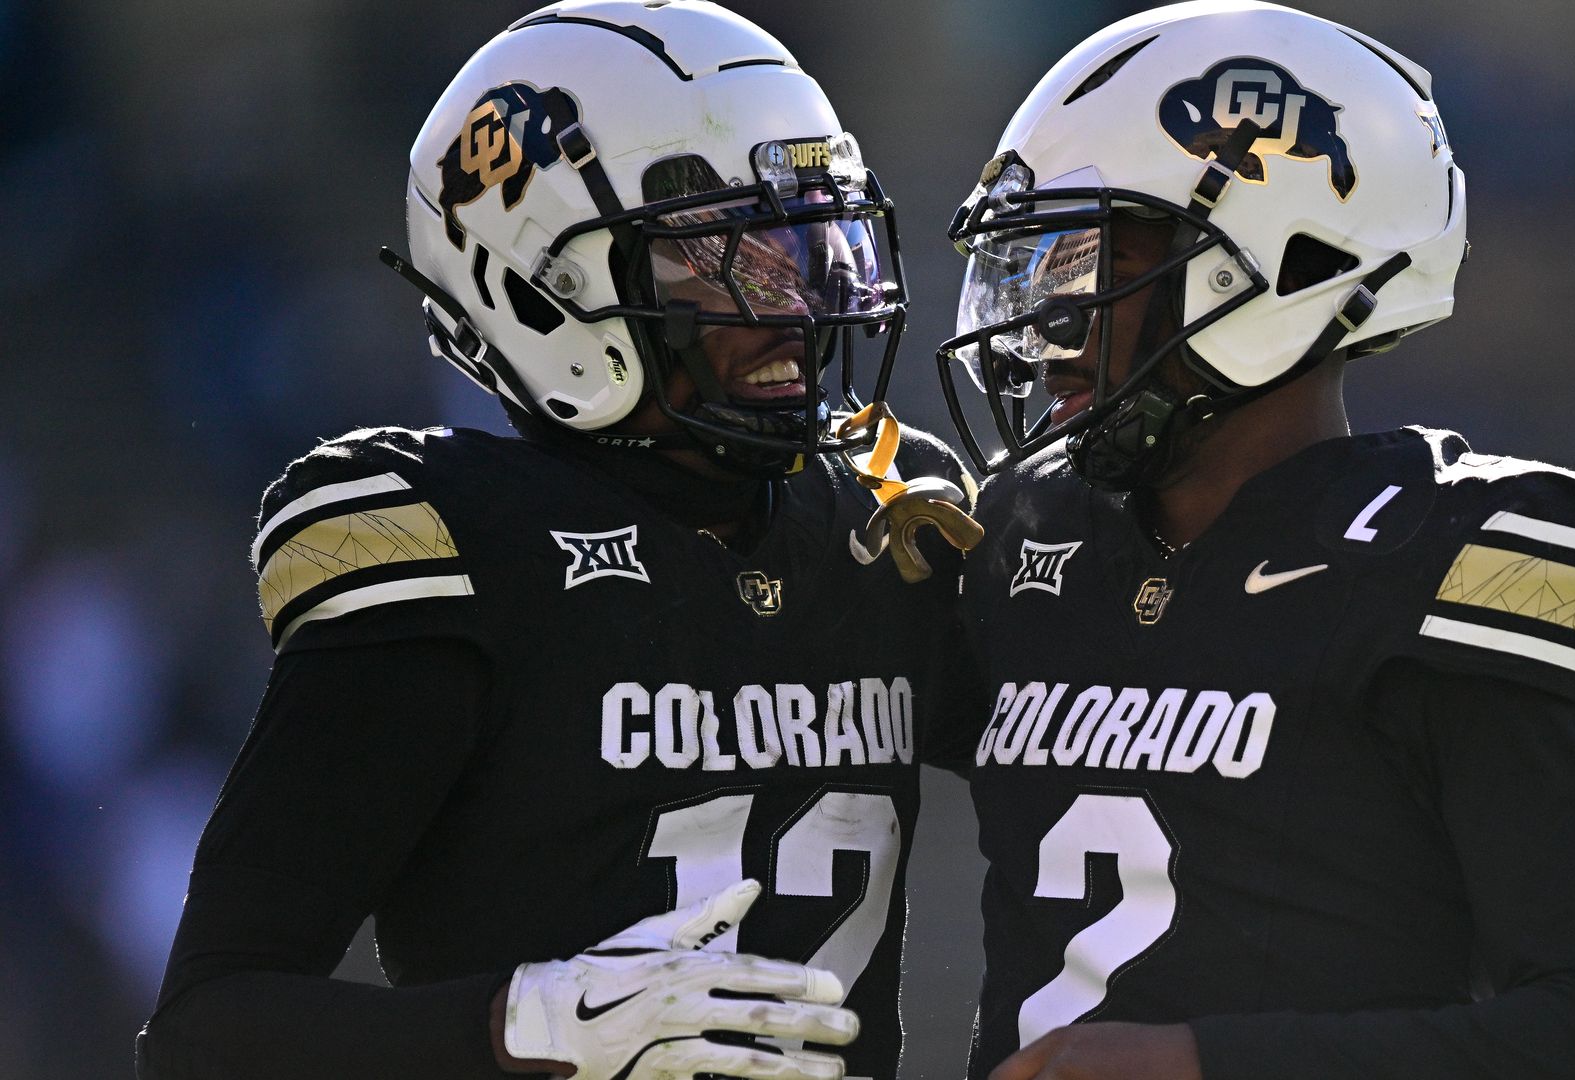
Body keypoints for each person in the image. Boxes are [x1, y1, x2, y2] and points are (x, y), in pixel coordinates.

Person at [934, 3, 1575, 1078]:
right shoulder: (1023, 533)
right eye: (1030, 266)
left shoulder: (1446, 561)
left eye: (1083, 261)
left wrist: (1202, 1066)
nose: (1041, 328)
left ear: (1283, 260)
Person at [135, 3, 978, 1079]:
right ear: (541, 291)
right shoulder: (461, 552)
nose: (800, 306)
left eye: (810, 239)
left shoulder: (887, 522)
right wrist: (523, 1025)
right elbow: (207, 1034)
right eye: (723, 256)